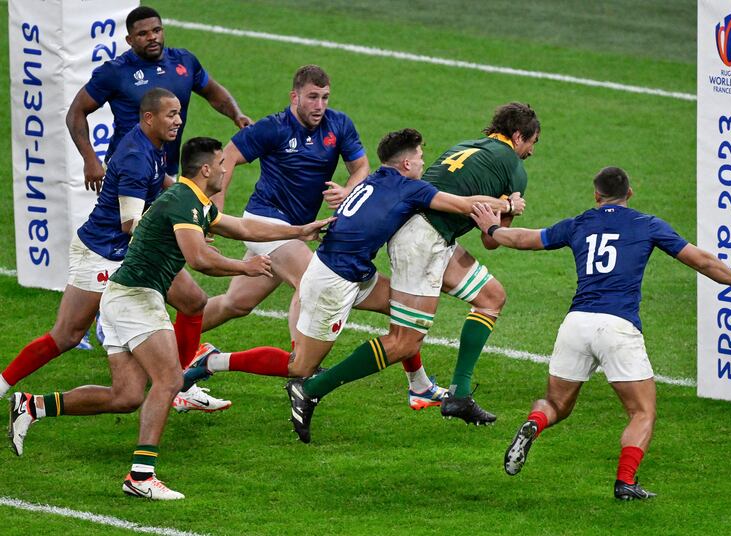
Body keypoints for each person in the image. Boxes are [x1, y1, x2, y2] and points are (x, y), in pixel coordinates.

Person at [8, 137, 332, 500]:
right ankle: (141, 476)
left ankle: (32, 405)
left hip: (122, 297)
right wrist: (246, 266)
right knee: (169, 380)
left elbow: (242, 228)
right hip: (136, 298)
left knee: (127, 396)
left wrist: (298, 231)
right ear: (206, 169)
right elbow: (199, 259)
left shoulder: (193, 200)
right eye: (221, 164)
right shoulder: (183, 201)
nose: (226, 169)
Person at [183, 129, 518, 429]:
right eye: (419, 157)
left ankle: (419, 385)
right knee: (299, 367)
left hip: (356, 274)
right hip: (333, 281)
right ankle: (211, 361)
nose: (422, 162)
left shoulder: (375, 178)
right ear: (405, 164)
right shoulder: (409, 188)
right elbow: (466, 204)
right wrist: (507, 204)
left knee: (404, 317)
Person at [469, 166, 731, 500]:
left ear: (597, 195)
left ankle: (535, 423)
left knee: (555, 404)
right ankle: (625, 482)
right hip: (618, 327)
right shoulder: (647, 224)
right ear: (630, 193)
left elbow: (526, 239)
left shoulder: (579, 223)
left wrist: (492, 228)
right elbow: (701, 260)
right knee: (642, 412)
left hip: (576, 324)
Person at [286, 103, 539, 439]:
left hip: (429, 235)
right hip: (424, 243)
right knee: (404, 342)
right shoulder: (515, 170)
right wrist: (509, 208)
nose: (531, 151)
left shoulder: (465, 146)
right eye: (532, 142)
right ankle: (311, 388)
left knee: (491, 296)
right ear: (518, 136)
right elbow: (491, 240)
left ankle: (459, 395)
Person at [197, 65, 444, 406]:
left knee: (235, 303)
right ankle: (302, 369)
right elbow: (228, 158)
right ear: (294, 96)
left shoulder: (338, 125)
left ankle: (171, 340)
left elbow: (361, 167)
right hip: (265, 223)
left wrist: (348, 190)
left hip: (299, 231)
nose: (319, 105)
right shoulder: (273, 127)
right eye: (312, 97)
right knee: (308, 279)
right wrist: (215, 211)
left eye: (325, 97)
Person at [0, 88, 225, 414]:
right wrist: (183, 232)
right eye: (171, 114)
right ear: (149, 118)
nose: (179, 120)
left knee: (193, 301)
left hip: (136, 252)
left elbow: (160, 181)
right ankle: (3, 384)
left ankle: (178, 386)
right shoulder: (135, 157)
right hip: (103, 252)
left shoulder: (155, 144)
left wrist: (186, 205)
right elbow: (130, 223)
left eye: (179, 113)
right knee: (67, 335)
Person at [67, 5, 251, 188]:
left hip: (166, 171)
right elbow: (76, 112)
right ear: (129, 40)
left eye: (156, 30)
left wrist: (237, 115)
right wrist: (90, 159)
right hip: (127, 170)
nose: (152, 37)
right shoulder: (114, 72)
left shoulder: (184, 61)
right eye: (143, 34)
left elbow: (213, 91)